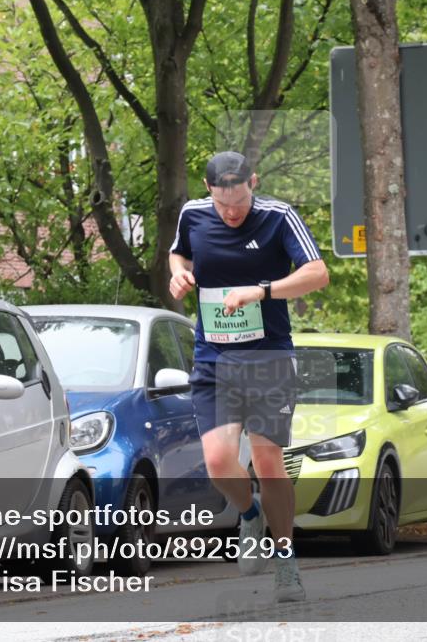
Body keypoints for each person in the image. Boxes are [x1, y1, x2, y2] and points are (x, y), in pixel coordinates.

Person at [168, 151, 329, 602]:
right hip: (215, 361)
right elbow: (178, 256)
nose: (232, 212)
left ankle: (286, 563)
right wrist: (179, 277)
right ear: (208, 192)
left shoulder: (279, 217)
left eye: (238, 201)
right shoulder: (193, 215)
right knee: (219, 462)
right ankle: (250, 513)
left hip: (268, 359)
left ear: (253, 182)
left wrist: (261, 291)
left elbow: (318, 274)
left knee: (269, 462)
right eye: (222, 204)